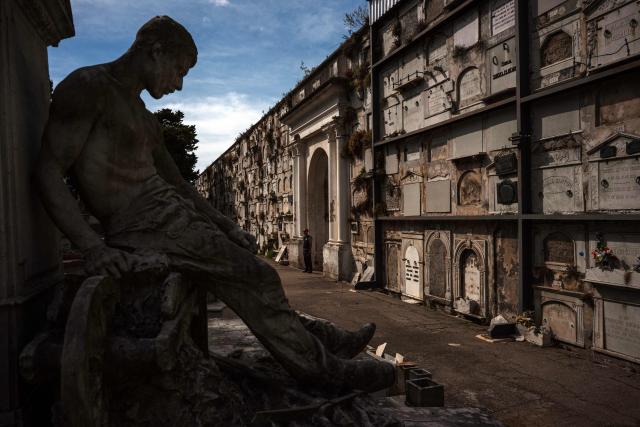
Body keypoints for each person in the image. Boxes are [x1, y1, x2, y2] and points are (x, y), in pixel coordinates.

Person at [35, 16, 394, 392]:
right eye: (179, 70)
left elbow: (181, 187)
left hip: (173, 219)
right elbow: (47, 169)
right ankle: (323, 371)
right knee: (258, 276)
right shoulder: (88, 88)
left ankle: (324, 339)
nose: (179, 83)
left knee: (252, 275)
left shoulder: (143, 118)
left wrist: (226, 225)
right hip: (142, 226)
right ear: (155, 51)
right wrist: (91, 247)